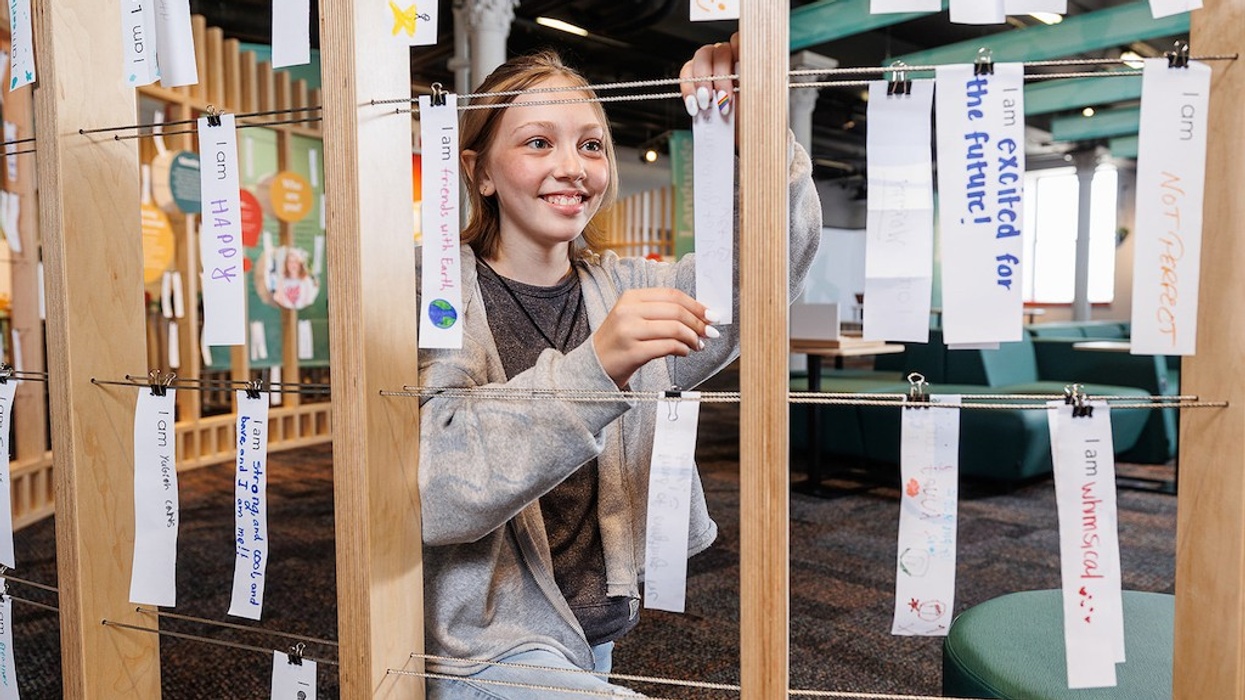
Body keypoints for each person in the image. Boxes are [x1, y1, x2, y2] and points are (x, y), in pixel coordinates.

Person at [415, 35, 822, 698]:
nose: (572, 166)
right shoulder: (435, 294)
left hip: (595, 634)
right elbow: (431, 490)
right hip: (479, 649)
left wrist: (754, 130)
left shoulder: (625, 287)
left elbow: (760, 276)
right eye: (537, 142)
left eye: (592, 144)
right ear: (479, 171)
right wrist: (596, 367)